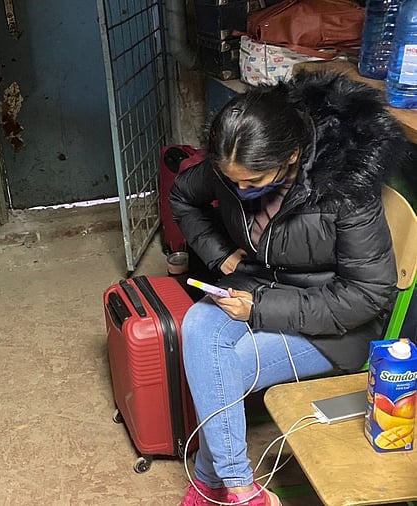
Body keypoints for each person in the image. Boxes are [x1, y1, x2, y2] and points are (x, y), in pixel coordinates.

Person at [169, 71, 405, 506]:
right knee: (200, 325)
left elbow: (367, 295)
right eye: (231, 180)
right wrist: (222, 255)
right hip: (258, 283)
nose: (240, 191)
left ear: (292, 155)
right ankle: (238, 488)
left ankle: (212, 483)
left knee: (222, 368)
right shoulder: (236, 167)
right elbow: (184, 195)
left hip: (335, 327)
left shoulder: (344, 191)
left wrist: (258, 308)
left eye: (253, 183)